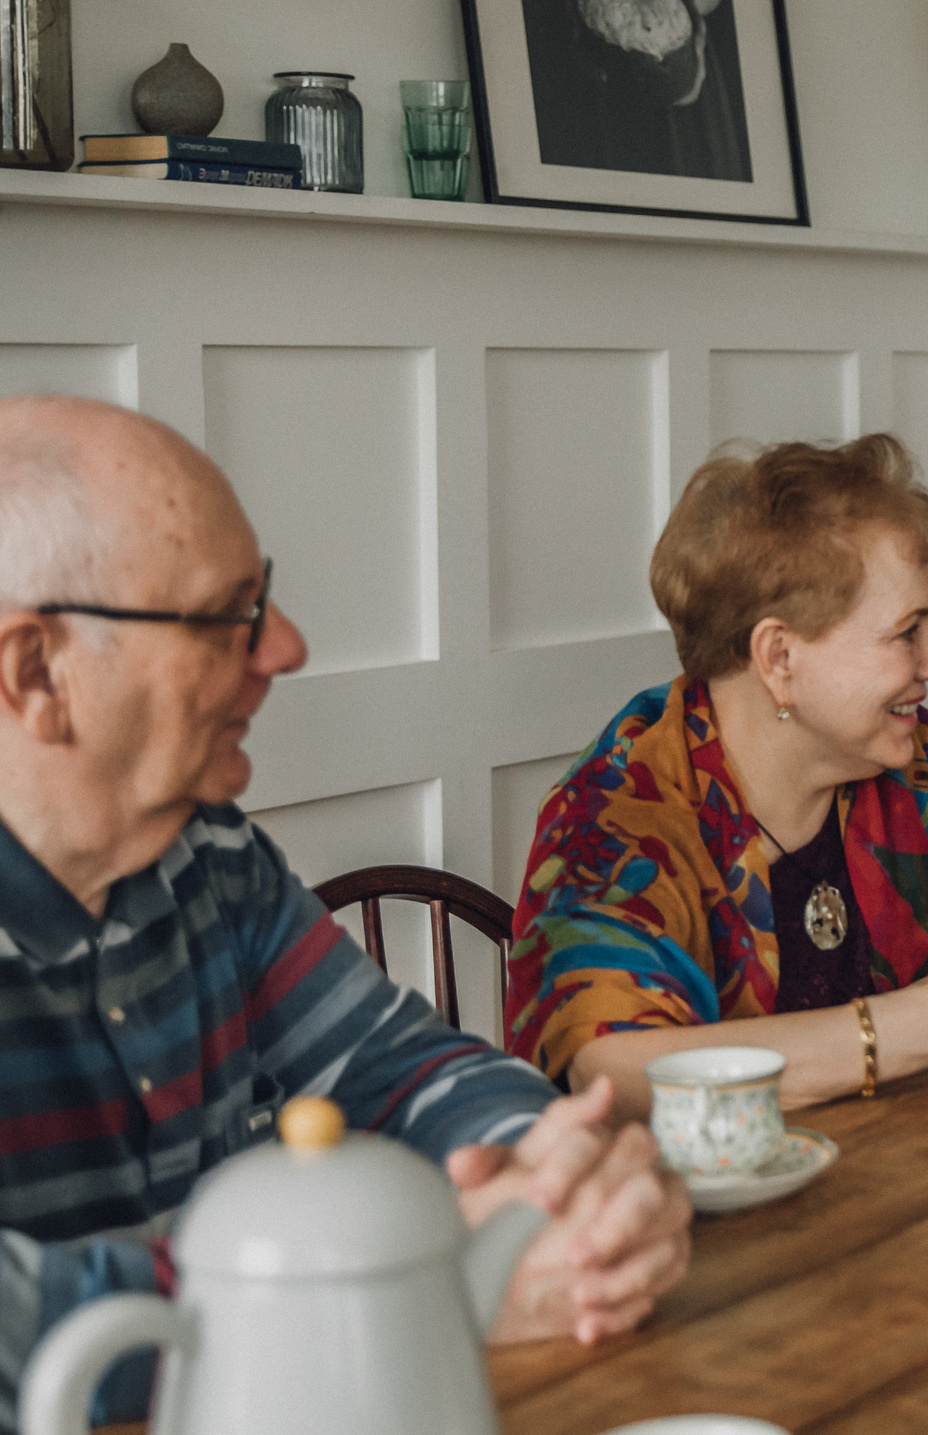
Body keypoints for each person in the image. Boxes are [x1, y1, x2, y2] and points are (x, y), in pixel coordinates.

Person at [0, 397, 691, 1432]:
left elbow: (406, 1069)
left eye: (263, 598)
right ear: (36, 673)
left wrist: (559, 1190)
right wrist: (412, 1285)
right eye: (225, 615)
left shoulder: (209, 854)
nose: (285, 645)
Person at [506, 435, 928, 1117]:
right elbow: (619, 1075)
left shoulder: (923, 767)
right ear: (780, 654)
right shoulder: (621, 811)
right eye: (909, 629)